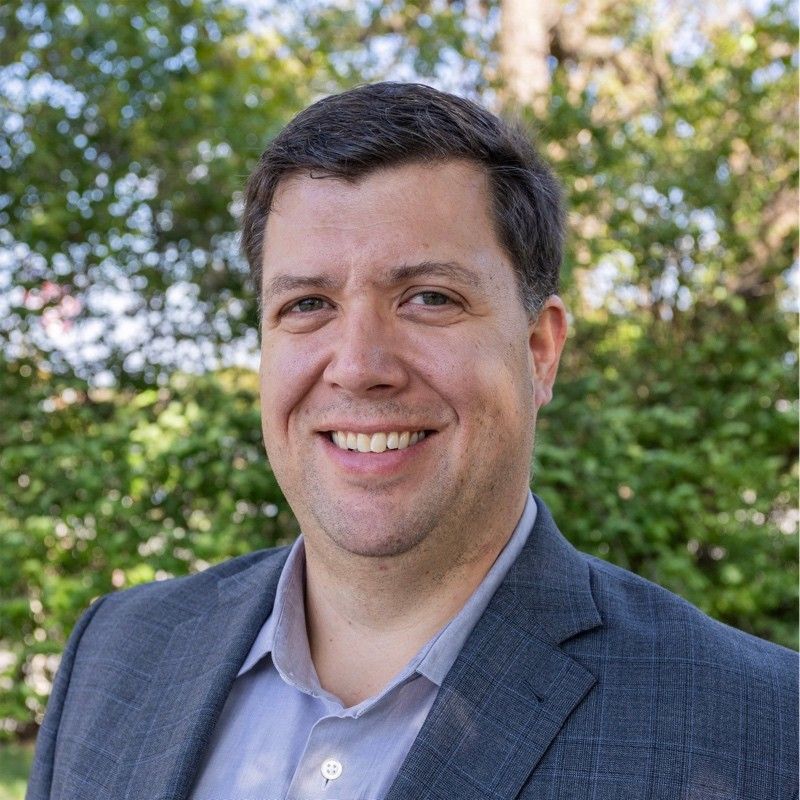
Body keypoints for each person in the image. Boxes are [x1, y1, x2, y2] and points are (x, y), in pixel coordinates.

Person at [27, 82, 797, 800]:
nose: (359, 366)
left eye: (429, 298)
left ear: (539, 350)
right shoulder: (114, 654)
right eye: (307, 304)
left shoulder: (760, 734)